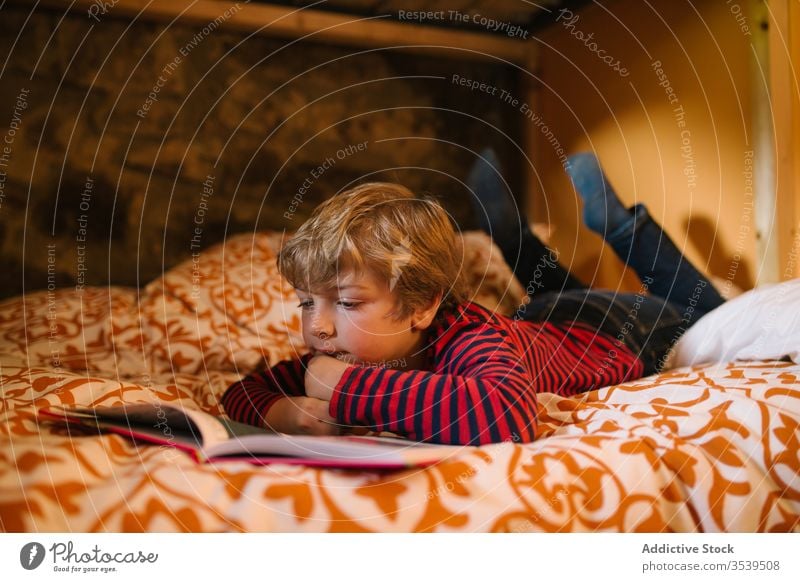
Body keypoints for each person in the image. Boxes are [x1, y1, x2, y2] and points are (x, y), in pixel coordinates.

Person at [221, 152, 724, 445]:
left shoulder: (469, 338)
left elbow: (507, 416)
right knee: (556, 292)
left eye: (347, 303)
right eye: (308, 302)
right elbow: (238, 393)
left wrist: (346, 390)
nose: (319, 327)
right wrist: (287, 413)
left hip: (619, 332)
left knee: (709, 312)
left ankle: (620, 227)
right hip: (539, 322)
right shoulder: (338, 350)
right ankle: (511, 232)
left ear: (422, 306)